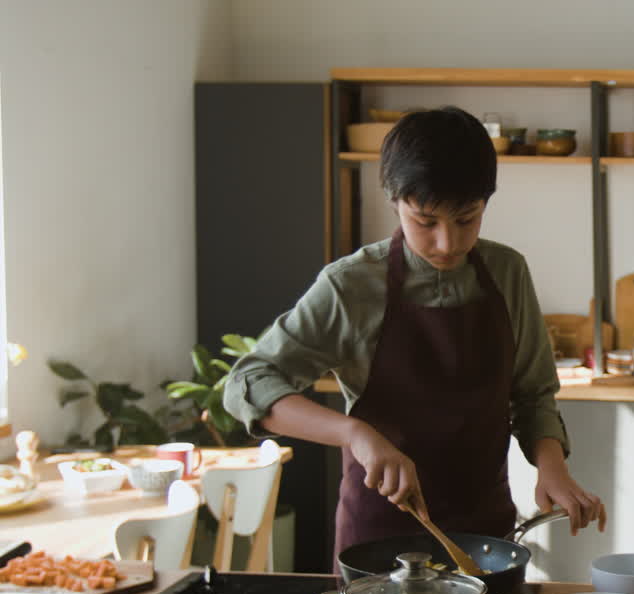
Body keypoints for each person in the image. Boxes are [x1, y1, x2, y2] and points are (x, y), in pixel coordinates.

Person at [225, 106, 606, 563]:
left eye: (467, 219)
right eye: (426, 221)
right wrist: (355, 433)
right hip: (378, 543)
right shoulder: (350, 285)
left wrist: (553, 468)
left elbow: (533, 394)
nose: (447, 243)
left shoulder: (507, 272)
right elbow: (248, 383)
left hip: (487, 538)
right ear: (394, 200)